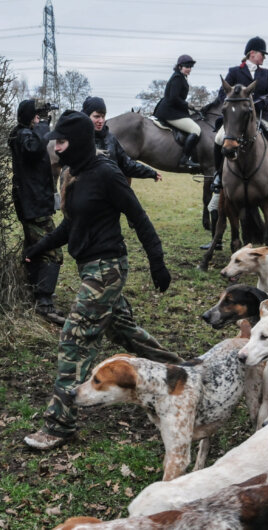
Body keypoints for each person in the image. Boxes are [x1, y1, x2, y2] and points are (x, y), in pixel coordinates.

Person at [23, 110, 183, 451]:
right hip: (88, 267)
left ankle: (59, 424)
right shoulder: (72, 173)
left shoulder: (107, 173)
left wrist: (158, 263)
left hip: (107, 269)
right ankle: (182, 371)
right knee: (125, 331)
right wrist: (39, 247)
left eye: (61, 142)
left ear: (77, 142)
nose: (56, 148)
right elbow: (71, 224)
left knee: (75, 337)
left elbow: (138, 217)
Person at [211, 36, 268, 192]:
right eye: (262, 54)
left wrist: (258, 104)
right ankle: (218, 174)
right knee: (218, 138)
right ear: (252, 53)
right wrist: (235, 105)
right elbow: (222, 94)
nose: (264, 57)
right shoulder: (234, 72)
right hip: (237, 117)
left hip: (262, 114)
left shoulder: (266, 74)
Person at [8, 99, 65, 325]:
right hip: (33, 206)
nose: (39, 119)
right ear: (31, 116)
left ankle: (33, 293)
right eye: (36, 115)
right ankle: (44, 303)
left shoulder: (21, 133)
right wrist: (42, 125)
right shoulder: (24, 136)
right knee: (53, 253)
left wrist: (39, 124)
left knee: (33, 249)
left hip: (32, 203)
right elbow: (35, 148)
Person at [81, 96, 162, 182]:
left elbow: (126, 164)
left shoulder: (110, 139)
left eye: (103, 116)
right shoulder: (77, 138)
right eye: (97, 116)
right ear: (86, 116)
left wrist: (151, 172)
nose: (101, 121)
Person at [153, 54, 201, 170]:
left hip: (173, 110)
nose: (189, 69)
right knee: (196, 129)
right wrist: (189, 105)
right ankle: (184, 160)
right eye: (187, 66)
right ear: (180, 67)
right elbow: (174, 98)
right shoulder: (177, 78)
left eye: (190, 67)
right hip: (170, 112)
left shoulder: (181, 76)